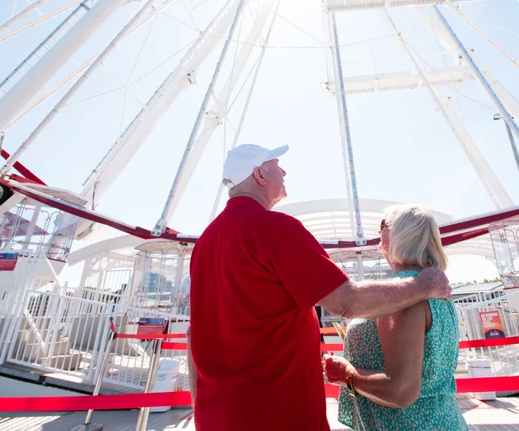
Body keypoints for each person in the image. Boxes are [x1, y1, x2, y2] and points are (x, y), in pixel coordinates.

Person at [188, 144, 452, 430]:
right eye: (277, 164)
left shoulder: (205, 243)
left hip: (215, 416)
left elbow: (194, 335)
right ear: (260, 175)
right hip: (278, 413)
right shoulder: (274, 228)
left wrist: (200, 409)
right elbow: (347, 302)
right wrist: (423, 285)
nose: (284, 170)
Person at [324, 204, 468, 431]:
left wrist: (347, 375)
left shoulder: (404, 294)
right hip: (444, 419)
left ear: (398, 234)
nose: (378, 232)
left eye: (382, 225)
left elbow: (400, 391)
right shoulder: (435, 289)